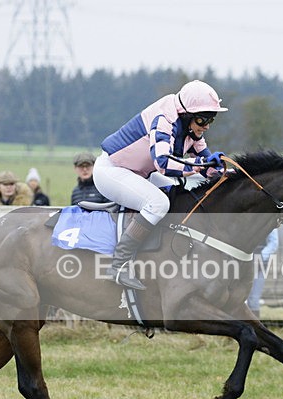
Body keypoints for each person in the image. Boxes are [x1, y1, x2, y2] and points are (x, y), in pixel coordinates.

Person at [93, 79, 229, 290]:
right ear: (186, 115)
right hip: (111, 170)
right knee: (158, 204)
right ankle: (118, 264)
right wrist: (201, 164)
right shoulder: (165, 118)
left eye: (212, 119)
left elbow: (207, 166)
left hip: (139, 173)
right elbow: (163, 163)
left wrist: (223, 168)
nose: (207, 125)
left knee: (183, 191)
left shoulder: (193, 130)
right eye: (203, 119)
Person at [247, 228, 279, 319]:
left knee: (253, 300)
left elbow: (274, 242)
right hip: (241, 264)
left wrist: (260, 258)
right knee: (242, 299)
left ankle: (256, 327)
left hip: (259, 265)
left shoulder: (269, 218)